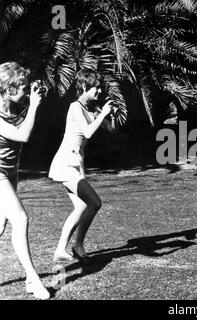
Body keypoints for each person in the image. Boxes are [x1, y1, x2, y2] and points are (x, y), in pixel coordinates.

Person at [48, 68, 115, 264]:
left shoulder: (92, 109)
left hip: (76, 164)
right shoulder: (74, 107)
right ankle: (78, 245)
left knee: (80, 207)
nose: (100, 92)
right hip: (65, 163)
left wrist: (110, 115)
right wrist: (102, 115)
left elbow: (111, 129)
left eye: (100, 88)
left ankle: (61, 249)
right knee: (94, 202)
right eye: (96, 88)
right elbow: (87, 133)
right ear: (84, 86)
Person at [0, 62, 50, 299]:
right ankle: (32, 278)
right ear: (8, 89)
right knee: (20, 218)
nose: (26, 92)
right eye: (22, 89)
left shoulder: (17, 105)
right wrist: (35, 106)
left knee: (0, 226)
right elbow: (23, 135)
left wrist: (34, 96)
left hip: (11, 172)